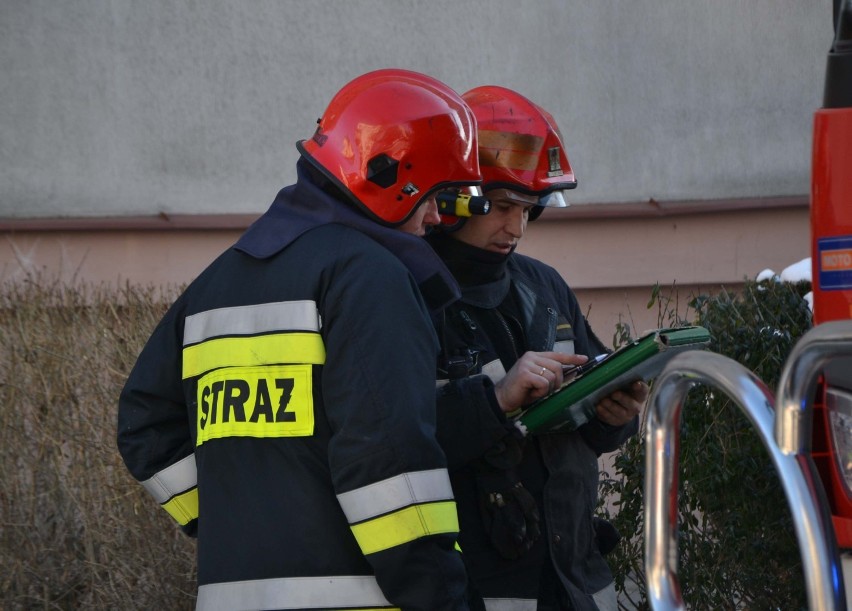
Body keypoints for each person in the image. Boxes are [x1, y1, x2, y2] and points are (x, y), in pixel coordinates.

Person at [117, 69, 485, 611]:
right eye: (435, 196)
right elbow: (389, 461)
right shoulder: (370, 278)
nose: (436, 218)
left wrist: (232, 517)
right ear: (388, 179)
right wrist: (444, 600)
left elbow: (143, 424)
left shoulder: (219, 280)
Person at [429, 85, 647, 611]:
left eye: (530, 209)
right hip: (480, 589)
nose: (518, 228)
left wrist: (612, 415)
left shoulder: (543, 286)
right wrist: (497, 397)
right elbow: (396, 437)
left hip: (575, 581)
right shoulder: (412, 295)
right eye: (503, 207)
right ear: (456, 200)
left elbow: (593, 418)